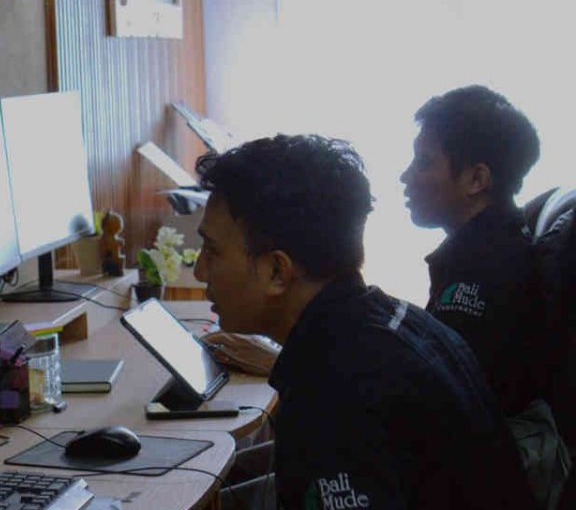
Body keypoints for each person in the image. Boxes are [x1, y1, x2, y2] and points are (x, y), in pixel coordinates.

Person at [195, 134, 534, 509]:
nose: (198, 271)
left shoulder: (343, 386)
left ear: (277, 270)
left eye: (212, 251)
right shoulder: (387, 322)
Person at [400, 86, 568, 508]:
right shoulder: (487, 248)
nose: (405, 176)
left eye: (423, 162)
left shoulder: (484, 272)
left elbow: (443, 403)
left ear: (477, 179)